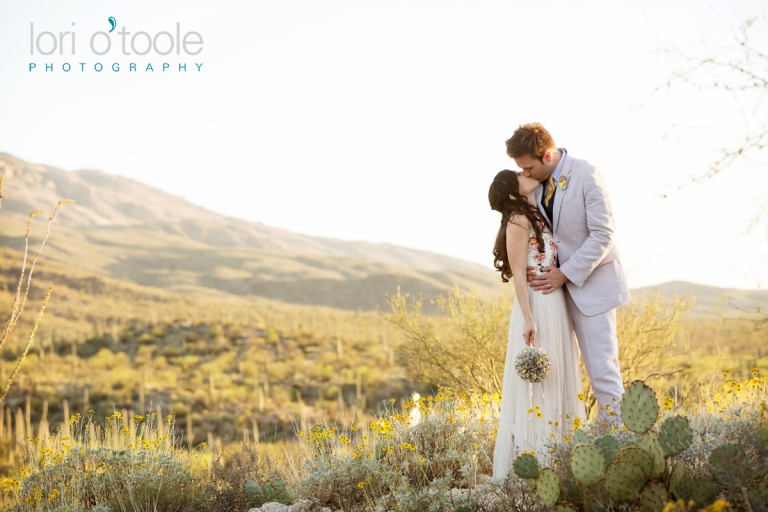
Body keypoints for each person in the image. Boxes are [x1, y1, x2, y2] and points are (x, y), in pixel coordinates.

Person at [488, 169, 587, 481]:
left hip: (554, 300)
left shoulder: (539, 216)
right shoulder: (518, 221)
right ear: (513, 193)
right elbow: (519, 274)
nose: (524, 172)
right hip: (535, 304)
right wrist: (528, 317)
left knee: (558, 372)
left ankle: (559, 456)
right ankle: (535, 460)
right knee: (539, 377)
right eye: (517, 174)